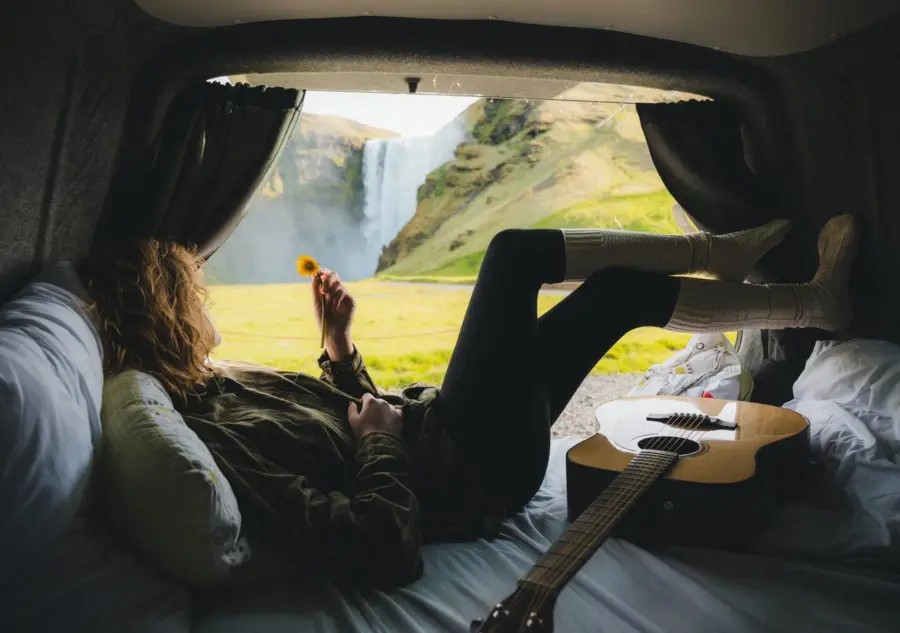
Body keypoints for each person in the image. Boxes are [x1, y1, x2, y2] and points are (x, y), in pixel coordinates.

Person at [79, 213, 857, 588]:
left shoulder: (215, 386)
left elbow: (348, 426)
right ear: (166, 315)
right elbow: (380, 538)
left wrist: (340, 352)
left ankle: (811, 306)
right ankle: (716, 253)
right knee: (511, 255)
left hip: (454, 433)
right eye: (191, 288)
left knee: (614, 295)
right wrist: (385, 438)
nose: (203, 295)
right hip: (473, 464)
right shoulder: (213, 436)